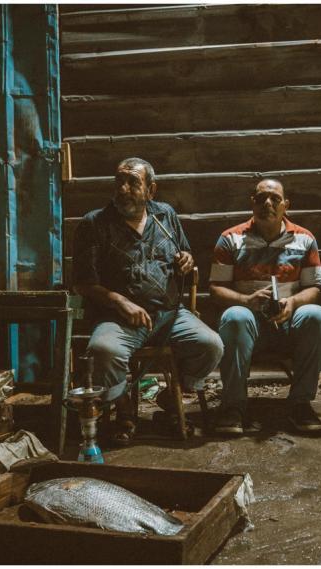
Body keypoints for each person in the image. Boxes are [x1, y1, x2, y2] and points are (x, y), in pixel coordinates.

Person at [72, 157, 224, 444]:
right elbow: (83, 282)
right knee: (103, 350)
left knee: (211, 345)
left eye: (133, 183)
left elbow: (185, 254)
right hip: (119, 318)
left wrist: (186, 260)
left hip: (169, 314)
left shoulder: (164, 215)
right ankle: (123, 407)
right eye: (120, 182)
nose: (124, 188)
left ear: (151, 190)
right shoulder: (95, 223)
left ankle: (170, 397)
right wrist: (119, 301)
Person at [209, 178, 321, 434]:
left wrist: (294, 302)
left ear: (286, 205)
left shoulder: (305, 239)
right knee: (235, 316)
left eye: (275, 198)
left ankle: (300, 404)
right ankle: (233, 406)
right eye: (261, 198)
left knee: (318, 316)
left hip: (288, 324)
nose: (268, 203)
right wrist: (246, 300)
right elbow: (215, 288)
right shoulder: (230, 239)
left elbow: (314, 287)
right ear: (251, 203)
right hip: (249, 326)